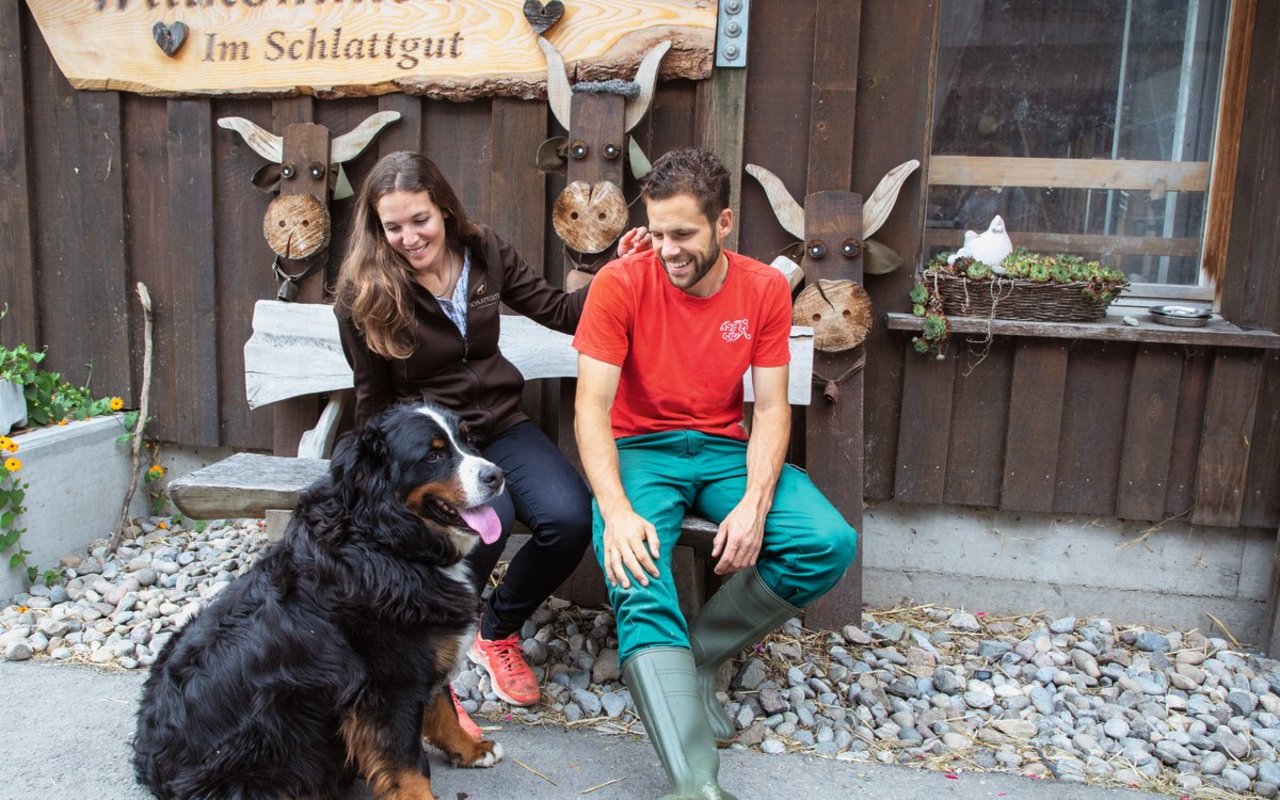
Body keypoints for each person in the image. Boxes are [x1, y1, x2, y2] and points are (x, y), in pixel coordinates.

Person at [572, 147, 858, 799]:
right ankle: (696, 782)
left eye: (683, 234)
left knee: (827, 540)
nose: (666, 249)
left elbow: (771, 408)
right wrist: (616, 512)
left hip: (727, 452)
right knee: (637, 570)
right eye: (659, 232)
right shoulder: (620, 284)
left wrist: (757, 502)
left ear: (723, 223)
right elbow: (589, 408)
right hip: (640, 451)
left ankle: (699, 658)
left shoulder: (760, 290)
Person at [334, 151, 592, 737]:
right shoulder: (366, 292)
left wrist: (623, 272)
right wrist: (369, 486)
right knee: (481, 526)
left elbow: (560, 309)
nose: (407, 237)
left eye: (418, 220)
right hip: (437, 446)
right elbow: (371, 400)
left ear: (444, 210)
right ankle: (430, 676)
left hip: (503, 425)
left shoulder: (485, 253)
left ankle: (495, 632)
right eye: (392, 226)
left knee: (571, 518)